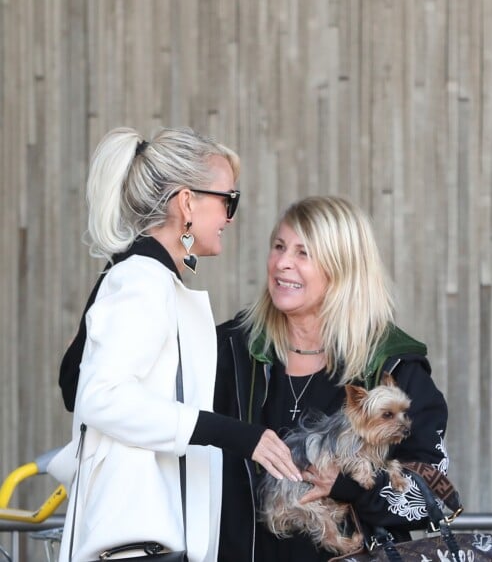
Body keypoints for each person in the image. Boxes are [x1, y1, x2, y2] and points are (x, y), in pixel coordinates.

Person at [50, 127, 301, 562]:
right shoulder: (141, 281)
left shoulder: (144, 276)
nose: (230, 217)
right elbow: (98, 397)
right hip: (137, 543)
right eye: (228, 200)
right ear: (187, 202)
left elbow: (74, 387)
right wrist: (237, 435)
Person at [213, 195, 449, 562]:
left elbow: (432, 494)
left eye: (303, 253)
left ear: (343, 268)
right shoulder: (230, 351)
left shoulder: (393, 366)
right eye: (279, 246)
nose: (282, 263)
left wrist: (346, 485)